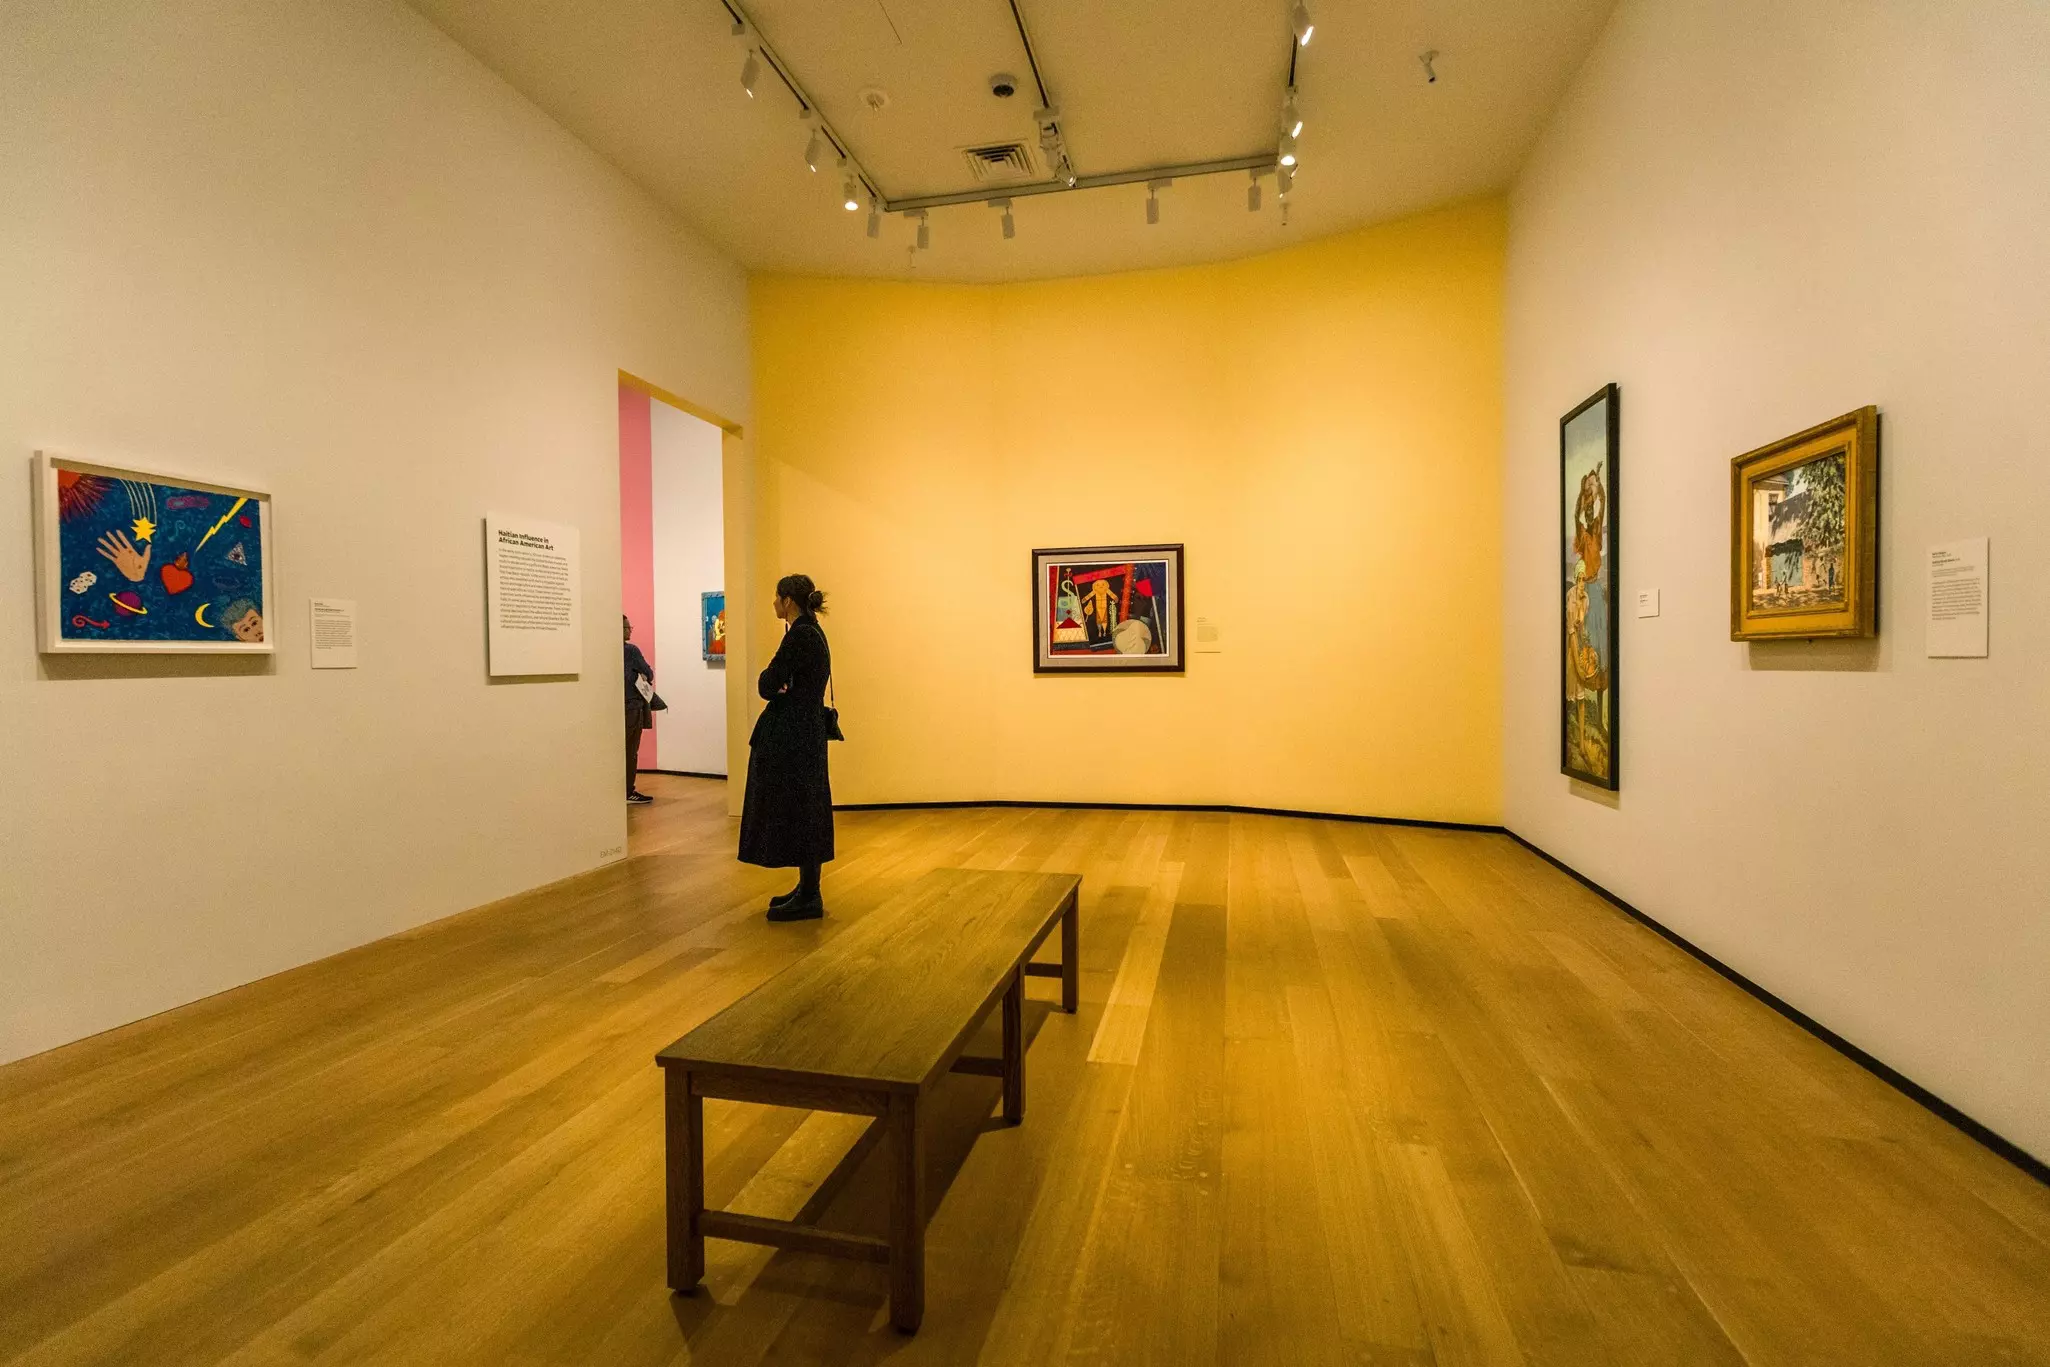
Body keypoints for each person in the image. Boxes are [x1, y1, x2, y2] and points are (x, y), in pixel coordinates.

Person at [738, 574, 835, 921]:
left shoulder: (799, 636)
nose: (774, 604)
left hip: (793, 734)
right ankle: (808, 888)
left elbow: (767, 683)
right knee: (806, 805)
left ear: (788, 601)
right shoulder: (814, 632)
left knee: (801, 807)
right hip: (805, 730)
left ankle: (810, 894)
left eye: (777, 598)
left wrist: (775, 683)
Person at [624, 614, 654, 805]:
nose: (630, 631)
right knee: (630, 751)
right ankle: (628, 791)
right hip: (632, 707)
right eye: (627, 628)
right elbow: (648, 672)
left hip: (614, 707)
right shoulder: (631, 651)